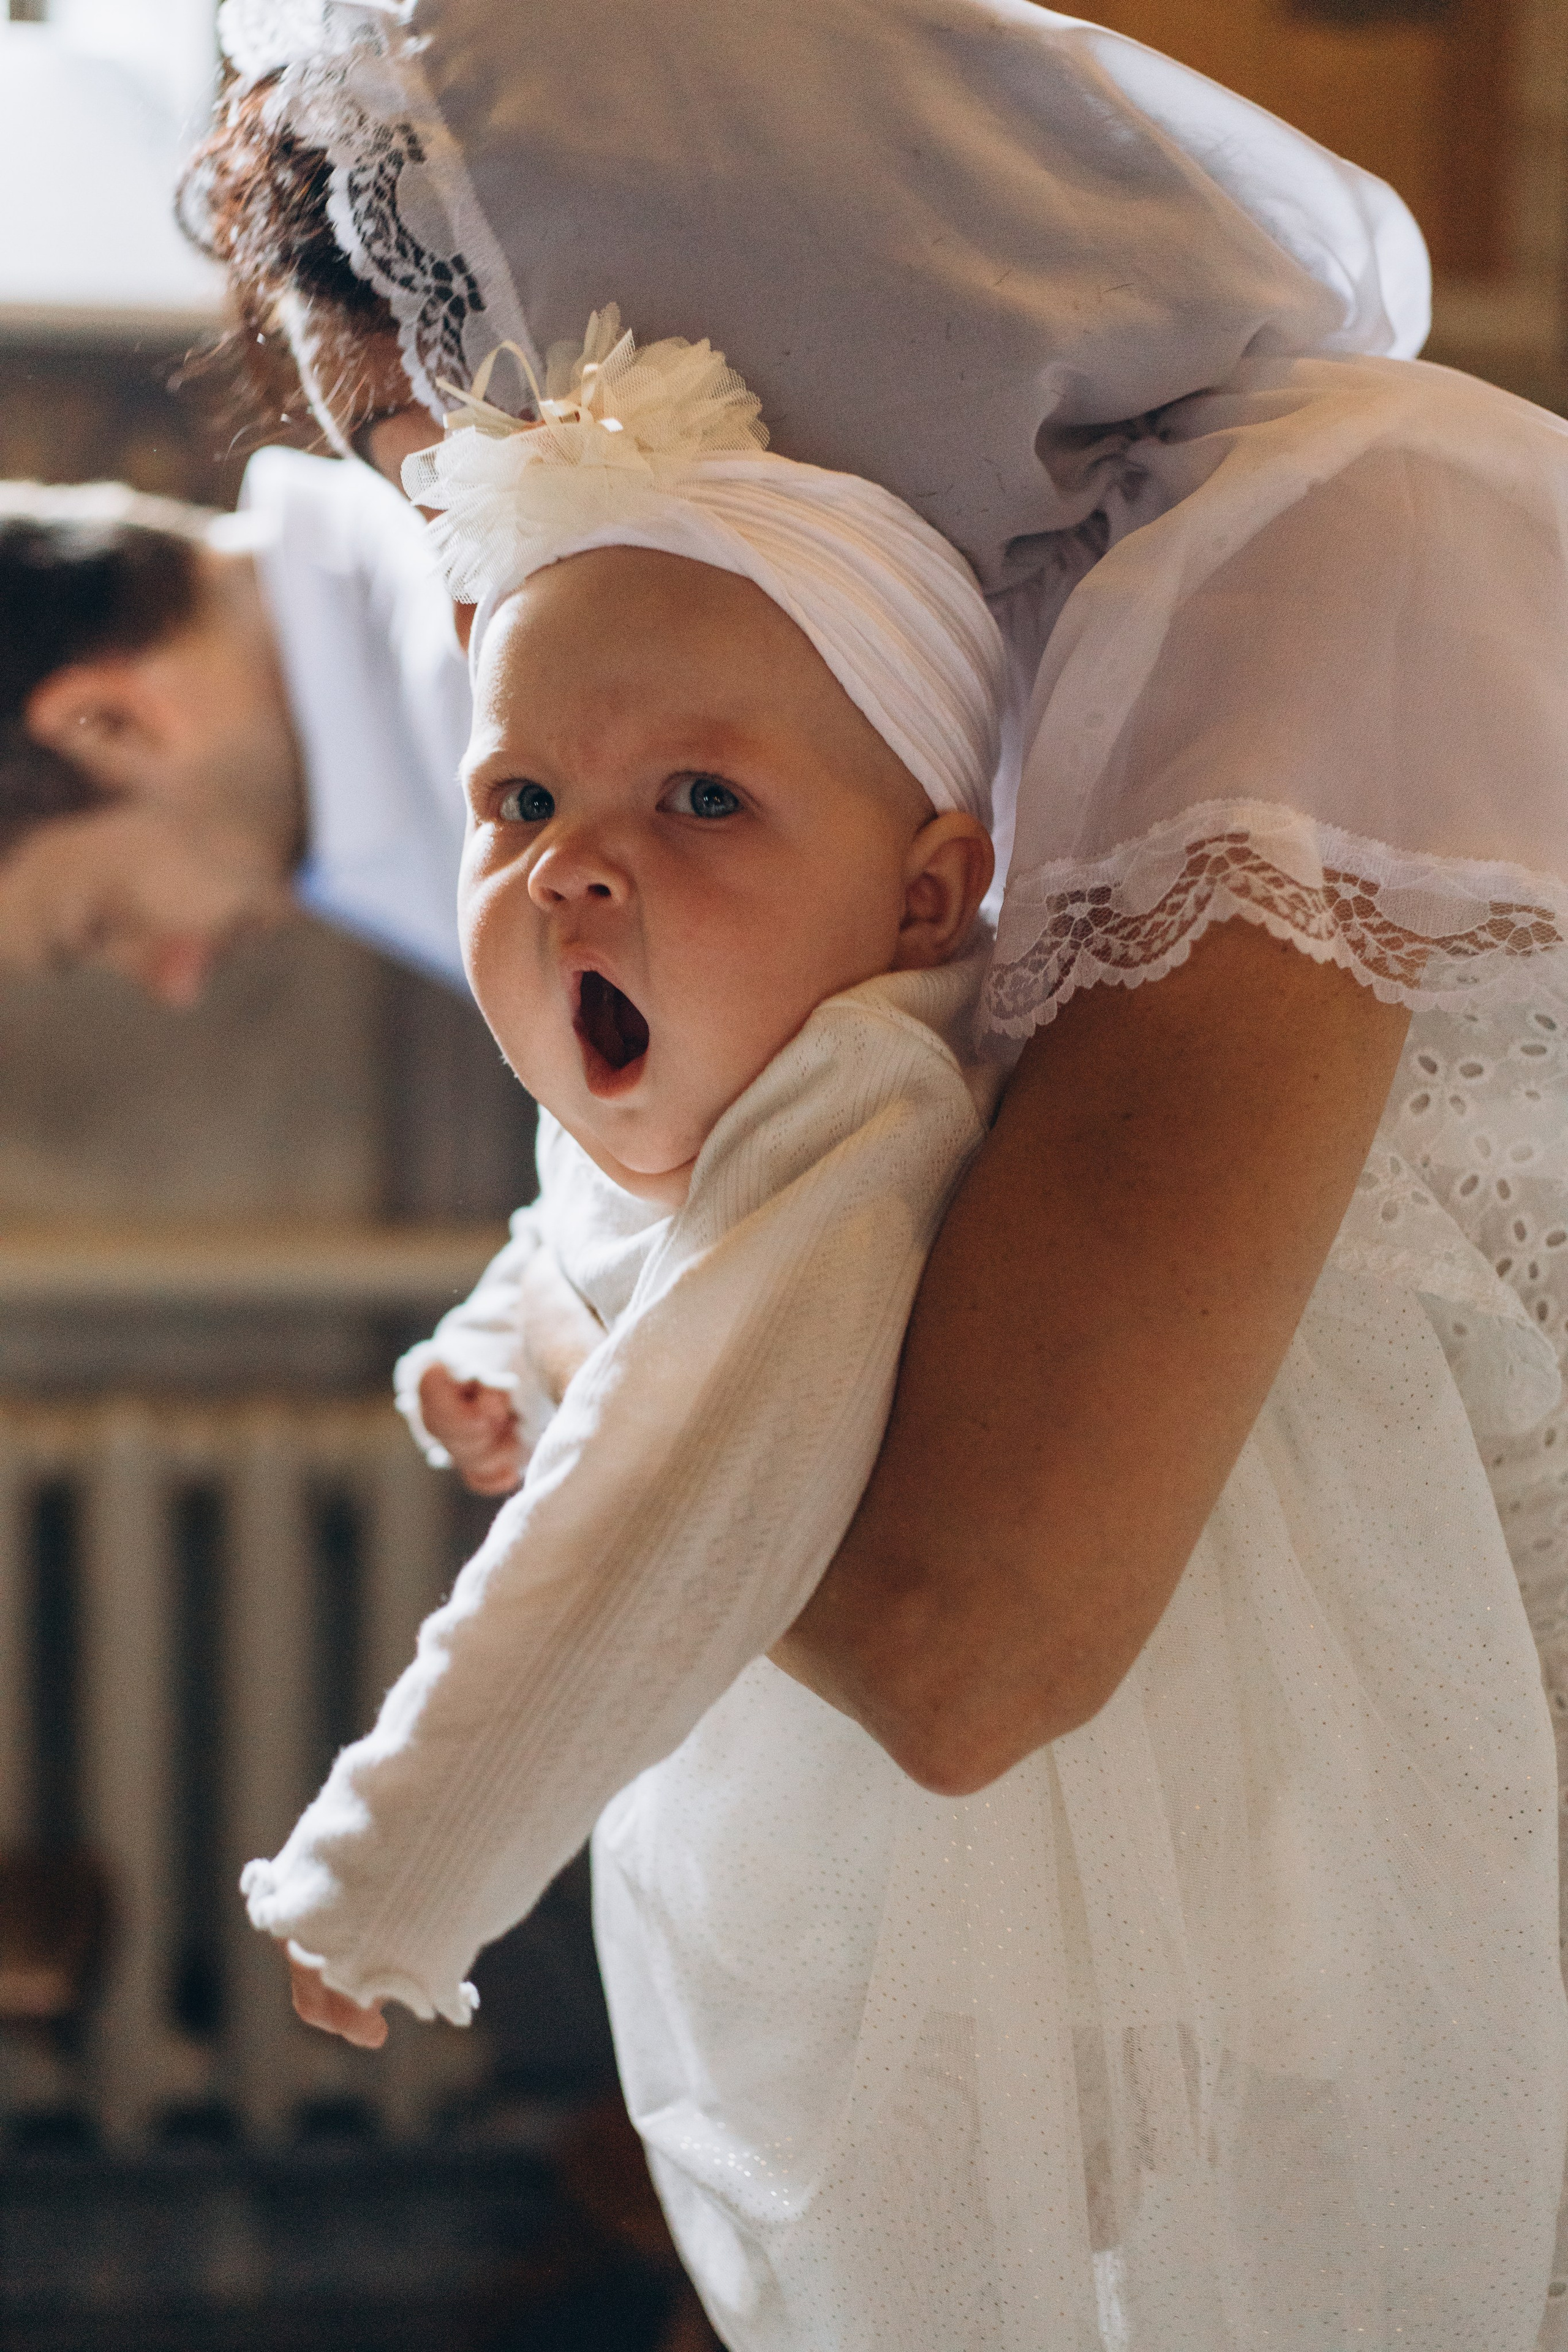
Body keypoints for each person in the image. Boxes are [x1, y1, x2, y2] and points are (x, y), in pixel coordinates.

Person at [186, 2, 1568, 2341]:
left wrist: (635, 1374)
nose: (483, 551)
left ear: (721, 273)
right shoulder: (961, 635)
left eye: (467, 432)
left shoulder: (1332, 529)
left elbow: (970, 1629)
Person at [0, 451, 470, 1003]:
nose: (178, 984)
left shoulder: (488, 685)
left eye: (101, 924)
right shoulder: (362, 820)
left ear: (106, 725)